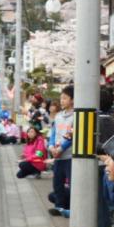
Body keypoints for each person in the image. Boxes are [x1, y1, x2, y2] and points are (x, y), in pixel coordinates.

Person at [48, 86, 75, 217]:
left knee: (71, 183)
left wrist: (61, 148)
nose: (62, 100)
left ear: (73, 100)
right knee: (57, 183)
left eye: (65, 98)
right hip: (57, 156)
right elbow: (53, 134)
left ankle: (73, 208)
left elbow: (72, 136)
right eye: (61, 98)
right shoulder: (58, 116)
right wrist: (51, 147)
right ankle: (59, 207)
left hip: (69, 156)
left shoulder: (76, 116)